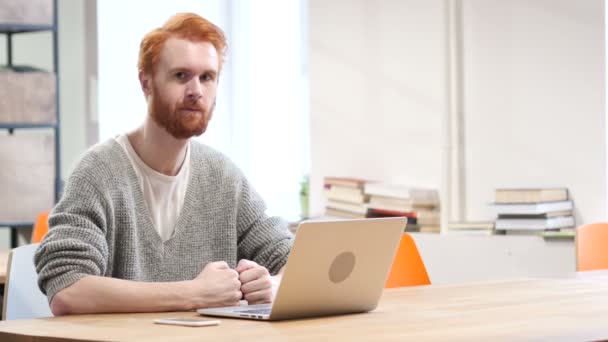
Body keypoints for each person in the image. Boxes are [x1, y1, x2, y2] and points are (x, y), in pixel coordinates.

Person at [34, 12, 294, 316]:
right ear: (146, 83)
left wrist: (274, 286)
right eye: (180, 75)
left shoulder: (222, 176)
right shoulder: (98, 172)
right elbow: (67, 290)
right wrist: (193, 293)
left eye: (207, 77)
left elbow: (294, 259)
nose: (196, 90)